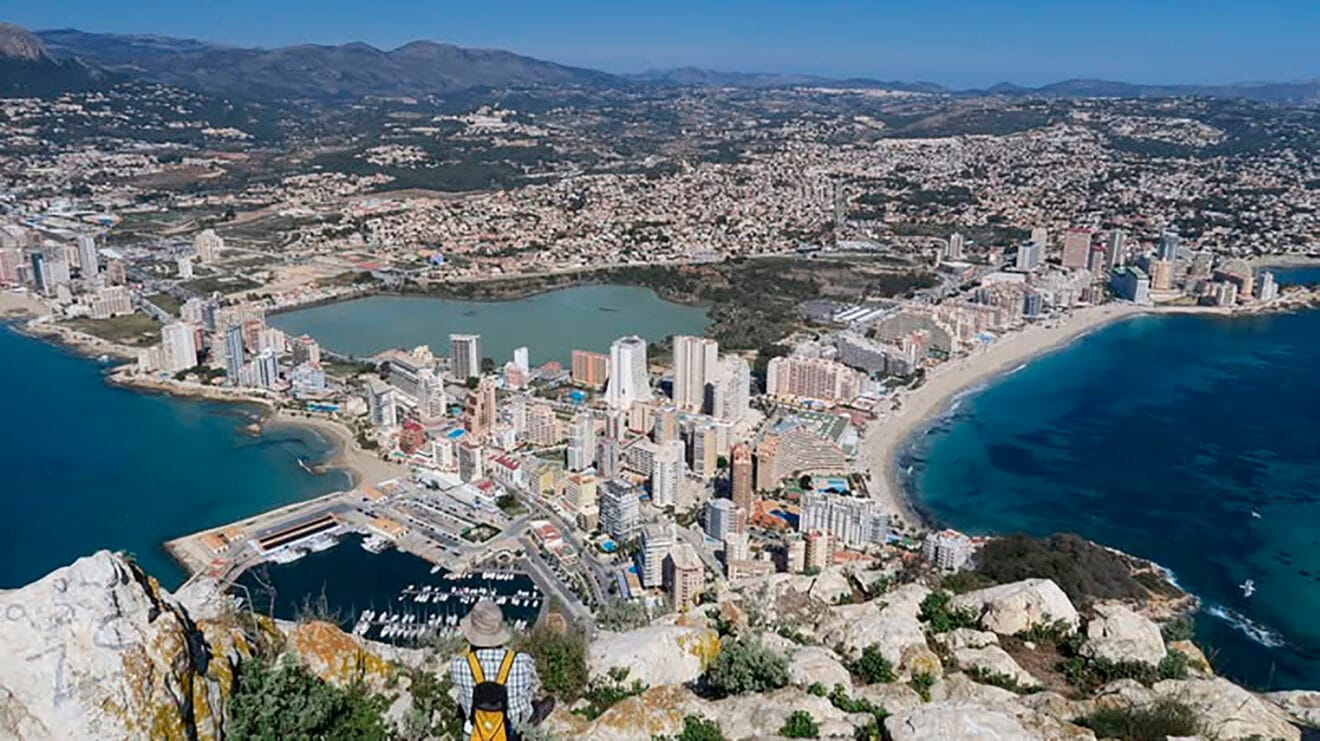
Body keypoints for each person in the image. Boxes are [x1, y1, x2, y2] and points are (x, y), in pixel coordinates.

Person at [450, 598, 541, 740]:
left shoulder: (459, 665)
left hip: (478, 730)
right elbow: (533, 688)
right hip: (512, 731)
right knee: (541, 703)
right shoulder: (521, 661)